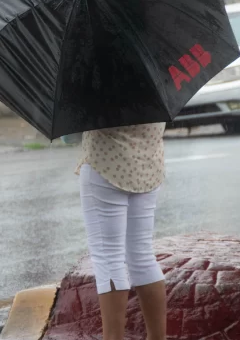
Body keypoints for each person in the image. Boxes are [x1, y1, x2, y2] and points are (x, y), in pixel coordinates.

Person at [75, 123, 167, 340]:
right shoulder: (157, 89)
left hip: (105, 163)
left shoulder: (102, 86)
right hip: (148, 163)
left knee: (109, 260)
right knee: (142, 257)